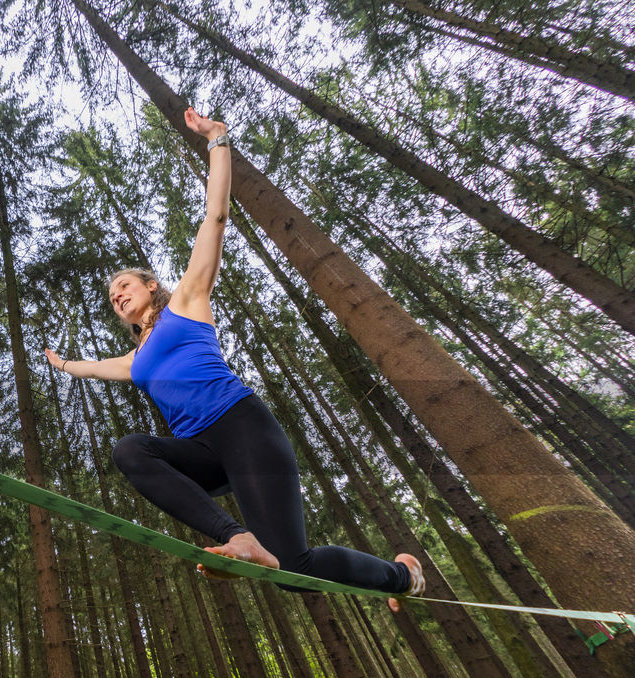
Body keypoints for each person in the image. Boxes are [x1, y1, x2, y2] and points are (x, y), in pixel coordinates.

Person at [43, 107, 425, 611]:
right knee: (131, 450)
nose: (117, 296)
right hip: (203, 452)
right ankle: (238, 537)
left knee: (294, 573)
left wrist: (217, 141)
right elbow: (90, 368)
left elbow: (215, 218)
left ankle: (402, 577)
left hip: (243, 431)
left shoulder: (186, 302)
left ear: (150, 286)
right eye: (112, 296)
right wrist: (62, 364)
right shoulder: (134, 360)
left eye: (125, 285)